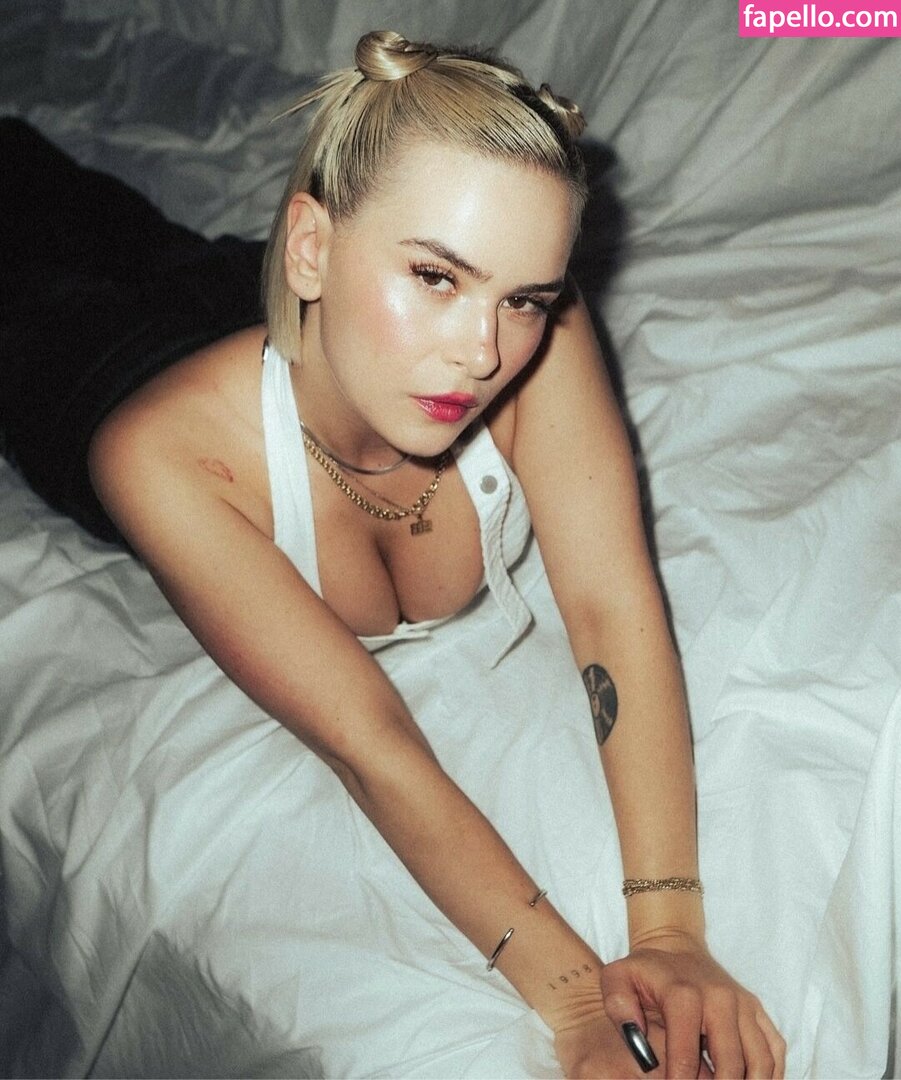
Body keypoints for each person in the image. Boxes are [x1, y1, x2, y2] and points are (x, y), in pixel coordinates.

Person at [4, 30, 785, 1079]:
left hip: (264, 308)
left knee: (147, 238)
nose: (481, 352)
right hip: (78, 359)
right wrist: (570, 1000)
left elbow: (610, 604)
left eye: (522, 297)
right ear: (312, 250)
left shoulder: (525, 337)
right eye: (434, 275)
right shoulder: (155, 454)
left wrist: (671, 935)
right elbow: (370, 743)